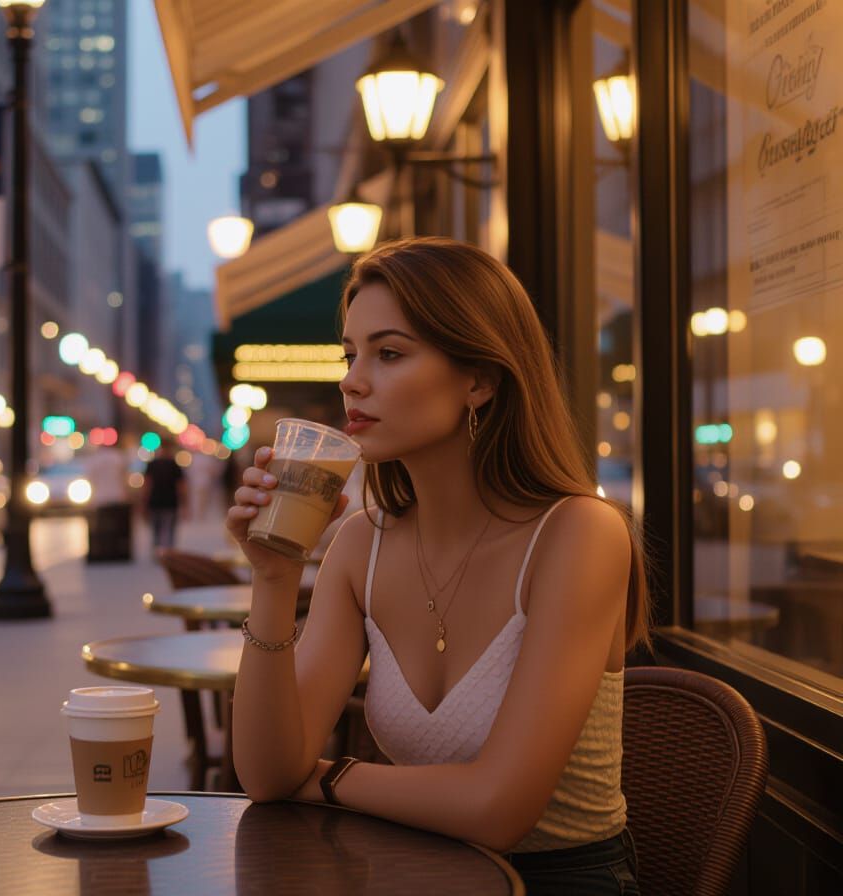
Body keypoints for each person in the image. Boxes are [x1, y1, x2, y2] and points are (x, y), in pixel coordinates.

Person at [227, 237, 648, 895]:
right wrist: (274, 577)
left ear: (479, 379)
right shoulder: (359, 545)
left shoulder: (579, 534)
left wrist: (327, 776)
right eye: (350, 354)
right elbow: (265, 773)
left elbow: (499, 810)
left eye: (389, 353)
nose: (351, 379)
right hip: (413, 870)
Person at [142, 441, 186, 553]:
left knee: (156, 529)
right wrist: (185, 504)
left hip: (155, 501)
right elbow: (181, 486)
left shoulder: (152, 464)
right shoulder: (174, 464)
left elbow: (147, 486)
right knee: (170, 530)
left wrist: (143, 503)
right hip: (171, 501)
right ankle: (169, 553)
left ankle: (157, 552)